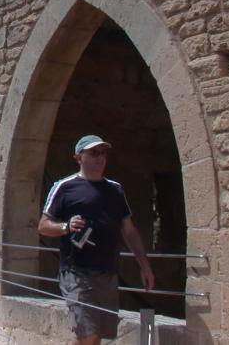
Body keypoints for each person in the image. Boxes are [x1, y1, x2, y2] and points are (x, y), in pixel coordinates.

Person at [38, 135, 155, 345]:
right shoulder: (64, 187)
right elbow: (43, 226)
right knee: (88, 334)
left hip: (108, 273)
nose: (100, 157)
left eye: (103, 153)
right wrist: (66, 227)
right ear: (79, 157)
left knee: (96, 337)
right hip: (76, 273)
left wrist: (144, 266)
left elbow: (129, 231)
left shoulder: (115, 189)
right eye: (93, 153)